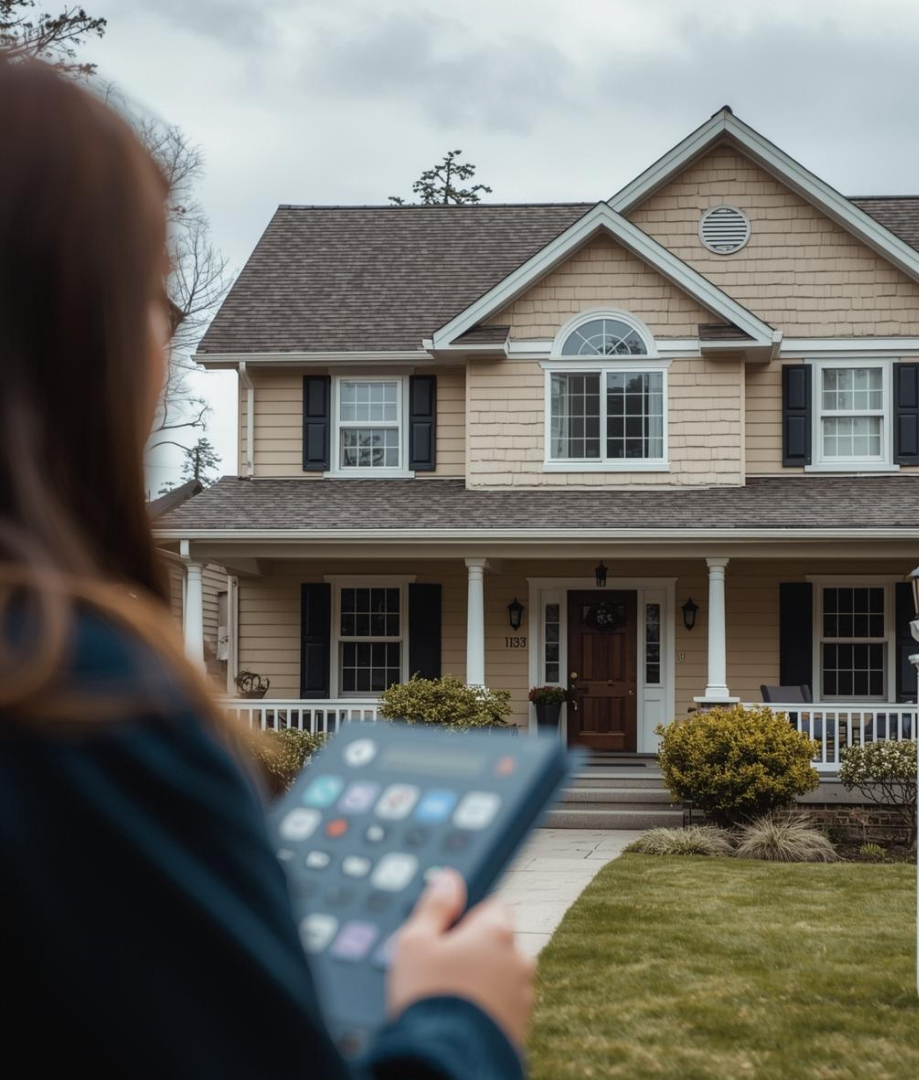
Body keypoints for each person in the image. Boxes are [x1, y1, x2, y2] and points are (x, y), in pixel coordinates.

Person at [0, 58, 533, 1079]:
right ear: (77, 327)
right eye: (155, 293)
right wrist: (459, 1021)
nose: (174, 331)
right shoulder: (81, 708)